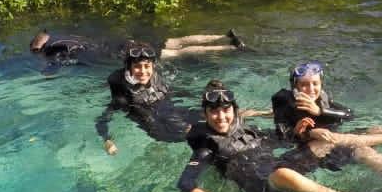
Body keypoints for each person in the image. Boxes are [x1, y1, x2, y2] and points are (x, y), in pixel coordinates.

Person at [179, 81, 382, 192]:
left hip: (278, 165)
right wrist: (194, 191)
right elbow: (186, 179)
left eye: (226, 110)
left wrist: (297, 133)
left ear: (234, 111)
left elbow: (279, 140)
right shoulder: (207, 148)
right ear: (205, 114)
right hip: (265, 186)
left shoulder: (247, 132)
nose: (221, 117)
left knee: (325, 140)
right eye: (214, 112)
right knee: (284, 175)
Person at [271, 60, 382, 189]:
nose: (311, 89)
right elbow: (282, 137)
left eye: (315, 84)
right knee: (361, 148)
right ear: (294, 86)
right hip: (320, 151)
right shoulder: (284, 102)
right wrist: (302, 132)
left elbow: (349, 115)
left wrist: (321, 112)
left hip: (338, 138)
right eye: (304, 85)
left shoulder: (321, 99)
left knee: (376, 129)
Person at [97, 40, 262, 153]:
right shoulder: (124, 94)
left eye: (147, 66)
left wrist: (203, 96)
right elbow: (104, 117)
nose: (143, 71)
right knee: (205, 130)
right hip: (158, 125)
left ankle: (262, 114)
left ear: (153, 66)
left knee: (218, 114)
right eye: (137, 67)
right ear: (130, 67)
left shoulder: (156, 78)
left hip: (173, 111)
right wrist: (107, 140)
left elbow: (172, 92)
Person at [31, 27, 245, 66]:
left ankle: (231, 49)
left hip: (121, 52)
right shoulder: (59, 34)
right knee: (177, 41)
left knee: (177, 54)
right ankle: (225, 35)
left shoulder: (52, 50)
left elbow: (52, 66)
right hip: (122, 43)